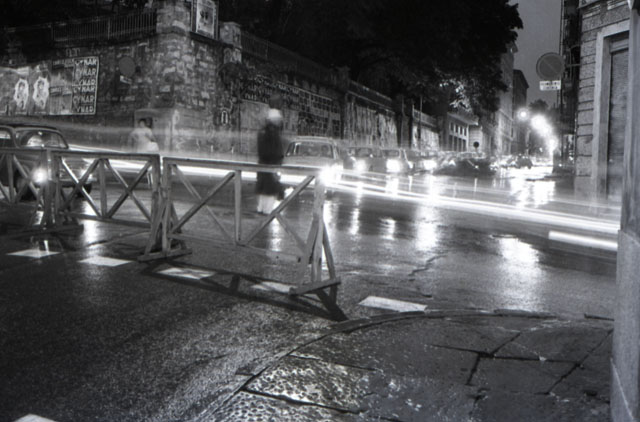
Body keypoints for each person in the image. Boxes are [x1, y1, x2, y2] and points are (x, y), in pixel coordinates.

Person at [256, 108, 285, 214]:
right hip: (271, 168)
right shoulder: (273, 133)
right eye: (278, 119)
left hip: (263, 168)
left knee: (263, 199)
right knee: (269, 199)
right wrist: (277, 164)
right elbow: (274, 152)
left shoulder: (263, 132)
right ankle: (265, 219)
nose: (279, 121)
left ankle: (261, 215)